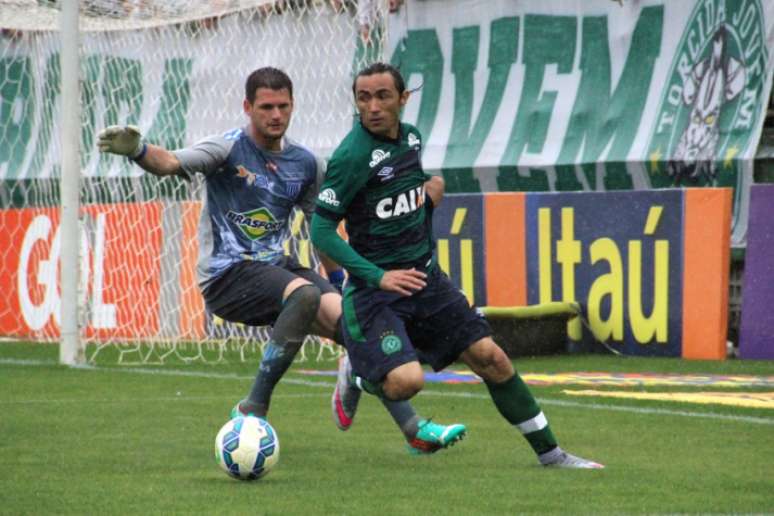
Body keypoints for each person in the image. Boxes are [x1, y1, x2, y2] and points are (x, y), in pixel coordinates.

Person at [96, 66, 465, 455]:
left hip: (277, 268)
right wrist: (137, 151)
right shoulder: (227, 149)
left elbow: (320, 227)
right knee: (305, 295)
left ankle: (413, 429)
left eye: (282, 106)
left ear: (293, 107)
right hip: (227, 275)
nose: (275, 115)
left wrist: (342, 285)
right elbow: (170, 162)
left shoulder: (304, 163)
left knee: (357, 325)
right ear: (248, 107)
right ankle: (252, 407)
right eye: (266, 107)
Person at [310, 62, 604, 468]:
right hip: (376, 293)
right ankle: (359, 373)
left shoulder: (411, 139)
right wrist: (378, 275)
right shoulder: (350, 156)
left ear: (403, 98)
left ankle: (552, 455)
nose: (373, 107)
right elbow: (321, 231)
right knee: (405, 383)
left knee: (492, 358)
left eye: (382, 96)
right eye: (364, 98)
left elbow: (401, 194)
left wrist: (429, 193)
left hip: (426, 280)